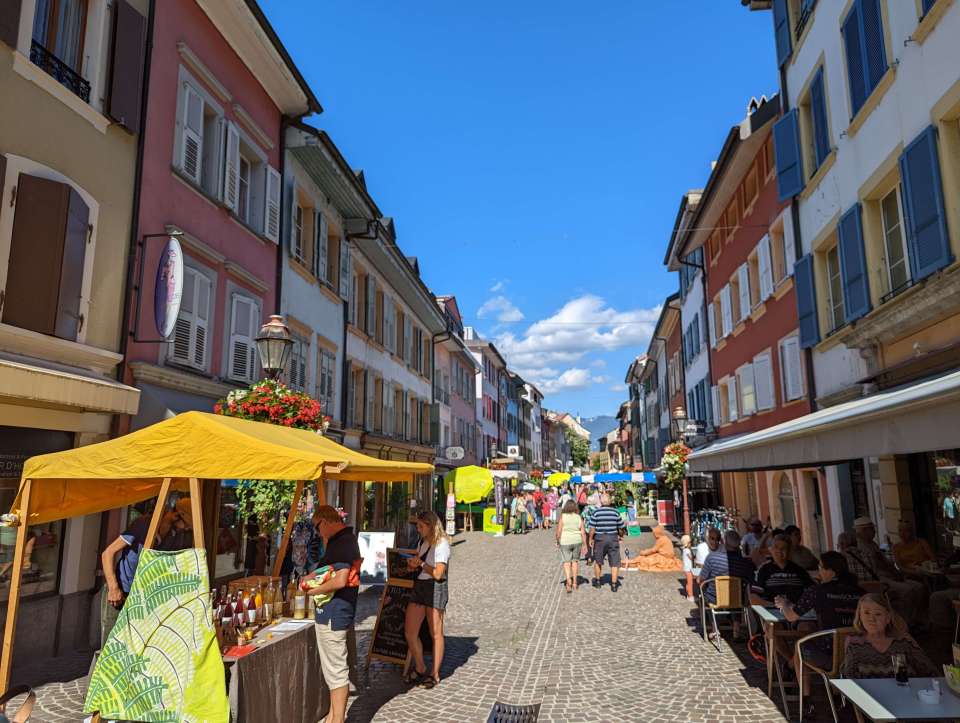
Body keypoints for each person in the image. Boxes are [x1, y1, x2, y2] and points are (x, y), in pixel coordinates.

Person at [100, 497, 193, 646]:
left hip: (143, 597)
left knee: (136, 647)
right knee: (112, 647)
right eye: (186, 525)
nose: (186, 529)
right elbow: (107, 553)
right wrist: (113, 588)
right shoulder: (143, 524)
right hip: (119, 593)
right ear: (175, 516)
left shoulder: (175, 536)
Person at [302, 505, 362, 723]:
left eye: (317, 527)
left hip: (334, 614)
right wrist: (314, 574)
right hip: (334, 612)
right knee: (333, 670)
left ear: (325, 522)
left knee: (336, 671)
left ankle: (337, 719)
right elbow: (330, 570)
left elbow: (340, 579)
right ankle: (332, 715)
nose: (318, 533)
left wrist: (311, 591)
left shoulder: (343, 542)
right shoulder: (342, 540)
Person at [403, 510, 450, 689]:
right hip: (420, 586)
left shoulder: (442, 544)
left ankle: (435, 674)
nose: (418, 529)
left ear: (431, 526)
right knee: (410, 632)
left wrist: (421, 564)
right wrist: (412, 564)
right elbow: (420, 563)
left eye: (421, 526)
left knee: (435, 632)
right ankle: (421, 666)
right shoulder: (422, 542)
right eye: (417, 525)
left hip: (435, 588)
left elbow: (438, 573)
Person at [852, 517, 927, 627]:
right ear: (864, 531)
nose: (874, 532)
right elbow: (878, 566)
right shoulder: (860, 547)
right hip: (880, 579)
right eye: (872, 529)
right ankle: (904, 623)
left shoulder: (872, 544)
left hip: (888, 576)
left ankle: (914, 619)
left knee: (919, 588)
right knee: (908, 591)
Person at [842, 593, 937, 679]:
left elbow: (931, 672)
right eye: (866, 613)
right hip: (867, 696)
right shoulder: (854, 643)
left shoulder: (904, 641)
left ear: (888, 618)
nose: (872, 618)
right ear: (859, 616)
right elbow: (849, 679)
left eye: (878, 614)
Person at [698, 530, 756, 639]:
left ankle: (715, 629)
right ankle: (736, 630)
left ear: (723, 542)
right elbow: (751, 581)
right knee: (737, 592)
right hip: (739, 600)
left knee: (704, 593)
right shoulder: (746, 562)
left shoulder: (712, 558)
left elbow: (701, 579)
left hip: (715, 598)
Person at [751, 534, 813, 605]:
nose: (779, 550)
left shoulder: (799, 570)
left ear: (789, 552)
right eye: (776, 547)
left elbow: (812, 591)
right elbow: (753, 597)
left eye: (784, 548)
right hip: (771, 612)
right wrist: (772, 605)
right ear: (771, 550)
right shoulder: (764, 570)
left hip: (795, 612)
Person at [589, 493, 625, 591]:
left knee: (598, 561)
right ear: (610, 501)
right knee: (615, 562)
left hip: (599, 539)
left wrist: (590, 539)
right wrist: (621, 536)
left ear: (601, 501)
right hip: (613, 538)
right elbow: (621, 527)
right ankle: (614, 585)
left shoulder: (596, 512)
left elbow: (592, 528)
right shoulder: (616, 512)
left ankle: (597, 582)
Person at [556, 499, 587, 593]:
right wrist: (584, 544)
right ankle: (575, 583)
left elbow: (559, 531)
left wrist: (558, 540)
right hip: (577, 540)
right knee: (575, 562)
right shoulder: (578, 517)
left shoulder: (563, 517)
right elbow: (583, 532)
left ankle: (568, 581)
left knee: (566, 562)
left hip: (565, 541)